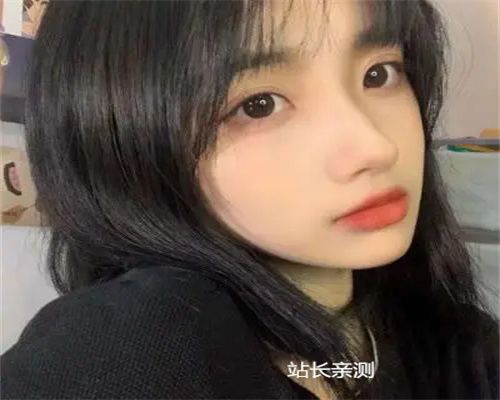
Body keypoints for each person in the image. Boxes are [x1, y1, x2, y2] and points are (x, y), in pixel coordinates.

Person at [1, 0, 498, 399]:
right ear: (125, 142)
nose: (376, 146)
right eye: (259, 106)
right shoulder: (133, 347)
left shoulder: (455, 345)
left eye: (379, 74)